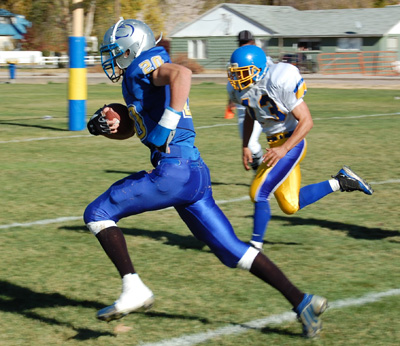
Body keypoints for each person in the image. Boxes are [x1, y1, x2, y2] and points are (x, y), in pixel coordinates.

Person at [84, 18, 328, 338]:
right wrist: (114, 126)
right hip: (193, 172)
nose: (112, 60)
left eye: (116, 53)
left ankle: (134, 287)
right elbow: (140, 127)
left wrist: (169, 120)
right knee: (232, 252)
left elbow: (181, 74)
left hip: (175, 171)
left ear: (132, 50)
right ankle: (302, 301)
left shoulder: (147, 65)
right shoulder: (136, 77)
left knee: (98, 213)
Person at [227, 45, 373, 251]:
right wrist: (245, 144)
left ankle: (254, 247)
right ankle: (341, 182)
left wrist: (284, 148)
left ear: (258, 69)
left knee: (259, 192)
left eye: (242, 73)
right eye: (234, 73)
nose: (237, 78)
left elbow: (306, 121)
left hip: (291, 143)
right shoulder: (242, 89)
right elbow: (251, 112)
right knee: (290, 205)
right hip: (274, 145)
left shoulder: (277, 81)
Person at [225, 30, 264, 171]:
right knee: (248, 145)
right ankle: (260, 174)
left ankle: (265, 174)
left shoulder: (260, 59)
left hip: (261, 107)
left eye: (246, 43)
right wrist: (230, 101)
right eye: (241, 44)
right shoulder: (236, 60)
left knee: (252, 144)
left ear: (253, 43)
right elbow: (233, 84)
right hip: (244, 109)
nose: (243, 46)